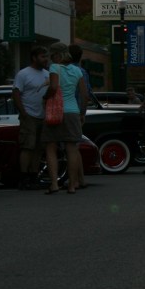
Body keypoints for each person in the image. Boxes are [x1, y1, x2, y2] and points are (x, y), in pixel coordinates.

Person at [41, 42, 87, 194]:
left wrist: (45, 97)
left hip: (56, 112)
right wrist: (82, 113)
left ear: (56, 54)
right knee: (72, 149)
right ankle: (72, 185)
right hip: (73, 111)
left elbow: (53, 87)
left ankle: (54, 184)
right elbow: (84, 94)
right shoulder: (78, 71)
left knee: (51, 147)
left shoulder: (55, 67)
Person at [12, 46, 50, 190]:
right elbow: (16, 93)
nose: (45, 59)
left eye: (46, 57)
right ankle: (24, 177)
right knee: (28, 146)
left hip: (44, 116)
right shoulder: (23, 74)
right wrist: (23, 113)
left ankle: (34, 176)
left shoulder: (47, 74)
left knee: (39, 148)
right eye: (42, 56)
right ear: (34, 58)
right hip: (29, 115)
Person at [68, 44, 93, 188]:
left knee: (71, 147)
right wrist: (83, 112)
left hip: (68, 111)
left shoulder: (63, 71)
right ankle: (80, 179)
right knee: (75, 146)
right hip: (77, 111)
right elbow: (86, 95)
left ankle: (75, 180)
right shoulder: (82, 71)